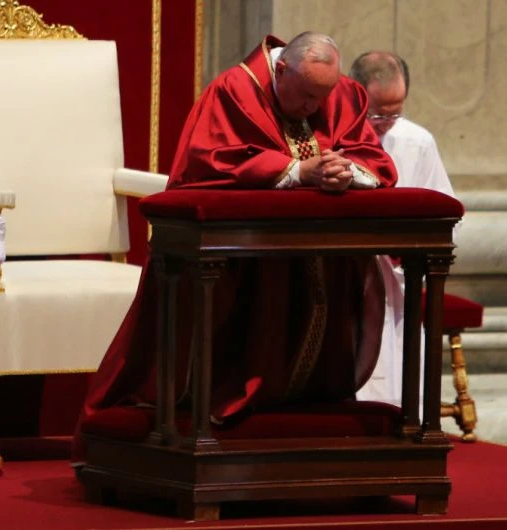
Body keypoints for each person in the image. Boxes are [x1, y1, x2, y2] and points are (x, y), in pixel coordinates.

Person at [71, 32, 398, 465]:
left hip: (322, 252)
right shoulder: (232, 92)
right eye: (305, 97)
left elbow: (368, 154)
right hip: (247, 259)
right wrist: (297, 171)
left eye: (322, 98)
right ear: (281, 70)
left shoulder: (342, 94)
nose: (314, 109)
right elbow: (208, 160)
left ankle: (309, 400)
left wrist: (347, 171)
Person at [349, 51, 457, 406]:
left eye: (396, 111)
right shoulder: (335, 135)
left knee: (397, 368)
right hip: (350, 272)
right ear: (356, 94)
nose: (387, 122)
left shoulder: (417, 142)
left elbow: (442, 208)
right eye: (379, 112)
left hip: (398, 274)